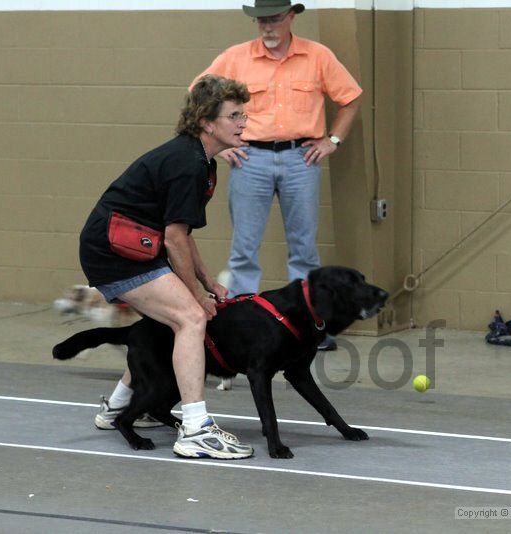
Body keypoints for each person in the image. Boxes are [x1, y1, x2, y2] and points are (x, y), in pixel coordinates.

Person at [78, 75, 254, 460]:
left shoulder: (204, 164)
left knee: (170, 318)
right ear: (207, 122)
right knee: (190, 318)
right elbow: (174, 239)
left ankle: (117, 408)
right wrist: (197, 296)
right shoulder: (187, 163)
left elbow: (182, 233)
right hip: (113, 251)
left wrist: (208, 282)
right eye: (234, 115)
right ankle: (196, 430)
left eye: (243, 114)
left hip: (136, 244)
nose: (243, 122)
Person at [190, 0, 363, 351]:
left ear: (291, 17)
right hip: (250, 159)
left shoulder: (317, 56)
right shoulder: (236, 58)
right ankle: (241, 328)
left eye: (274, 19)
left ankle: (307, 327)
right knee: (244, 249)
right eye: (261, 21)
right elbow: (196, 95)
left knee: (303, 249)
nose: (267, 27)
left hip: (302, 158)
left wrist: (332, 140)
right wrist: (220, 146)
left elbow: (351, 98)